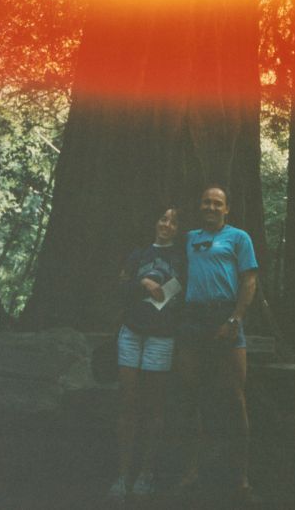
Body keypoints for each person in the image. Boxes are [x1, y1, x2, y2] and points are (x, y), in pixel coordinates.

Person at [176, 185, 258, 500]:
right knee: (191, 396)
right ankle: (191, 472)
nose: (211, 207)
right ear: (200, 207)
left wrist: (234, 319)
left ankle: (241, 477)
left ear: (226, 209)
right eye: (206, 202)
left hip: (226, 319)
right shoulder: (189, 239)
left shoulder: (239, 238)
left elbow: (249, 280)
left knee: (236, 399)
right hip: (193, 321)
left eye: (217, 203)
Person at [108, 207, 185, 501]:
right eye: (163, 219)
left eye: (173, 222)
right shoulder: (138, 255)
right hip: (132, 333)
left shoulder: (181, 259)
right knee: (128, 403)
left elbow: (184, 294)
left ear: (179, 229)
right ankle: (122, 474)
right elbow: (121, 287)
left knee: (154, 407)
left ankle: (147, 473)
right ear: (155, 222)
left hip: (161, 338)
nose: (167, 224)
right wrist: (143, 282)